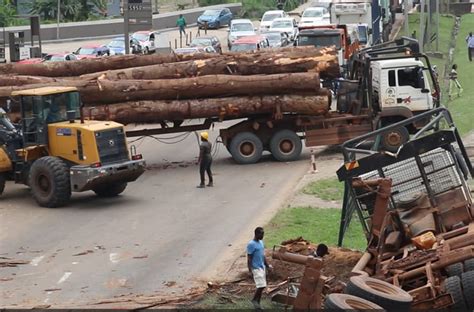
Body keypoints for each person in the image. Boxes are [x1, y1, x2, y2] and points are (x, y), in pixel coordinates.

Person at [247, 227, 272, 310]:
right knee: (261, 286)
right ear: (256, 234)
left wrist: (267, 266)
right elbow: (249, 258)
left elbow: (263, 255)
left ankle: (258, 303)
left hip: (262, 267)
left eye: (263, 234)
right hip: (256, 268)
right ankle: (254, 300)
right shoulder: (251, 244)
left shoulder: (261, 242)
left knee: (262, 286)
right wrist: (250, 270)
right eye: (261, 234)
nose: (262, 236)